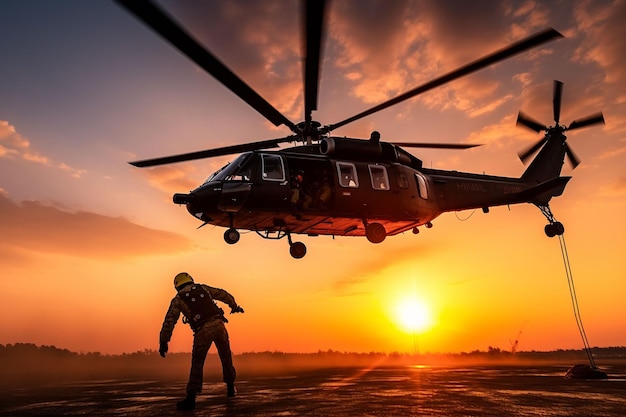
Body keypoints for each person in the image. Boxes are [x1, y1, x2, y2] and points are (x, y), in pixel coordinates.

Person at [159, 272, 244, 411]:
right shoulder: (202, 288)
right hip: (219, 325)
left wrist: (163, 341)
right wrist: (234, 306)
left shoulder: (178, 299)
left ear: (177, 286)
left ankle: (191, 399)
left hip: (203, 329)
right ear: (190, 280)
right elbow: (223, 294)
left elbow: (170, 321)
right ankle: (230, 388)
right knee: (226, 357)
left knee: (197, 363)